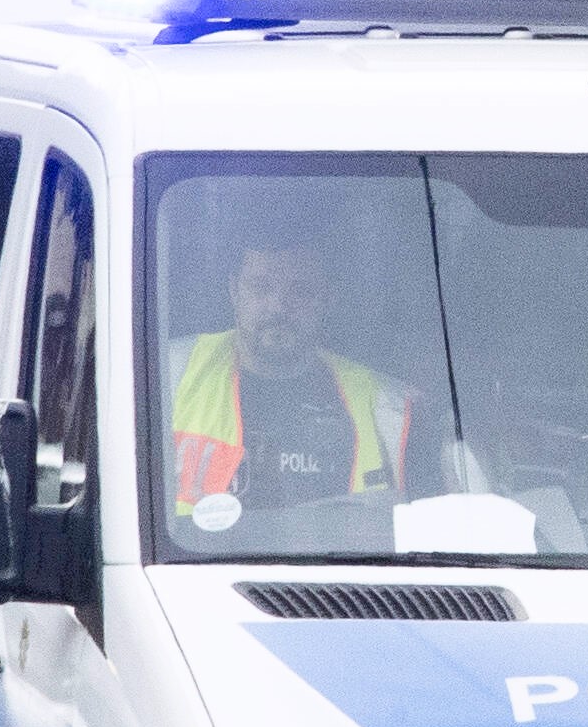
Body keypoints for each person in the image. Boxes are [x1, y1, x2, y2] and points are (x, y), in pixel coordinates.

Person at [162, 220, 417, 524]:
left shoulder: (387, 407)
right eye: (260, 287)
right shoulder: (167, 375)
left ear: (328, 298)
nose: (277, 307)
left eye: (300, 291)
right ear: (234, 291)